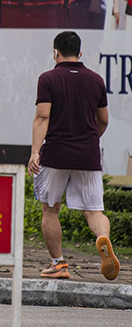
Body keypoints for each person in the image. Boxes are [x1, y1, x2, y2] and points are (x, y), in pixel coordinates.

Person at [28, 31, 119, 281]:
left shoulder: (48, 79)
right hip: (88, 154)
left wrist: (35, 151)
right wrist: (90, 139)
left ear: (55, 52)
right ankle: (103, 239)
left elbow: (43, 116)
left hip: (56, 153)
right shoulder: (96, 80)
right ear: (80, 53)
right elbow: (103, 120)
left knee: (50, 209)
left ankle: (58, 264)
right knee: (94, 211)